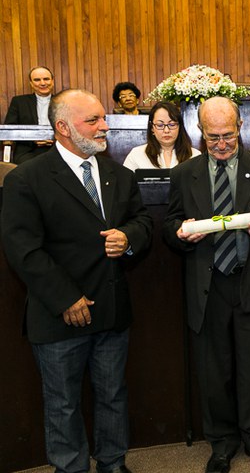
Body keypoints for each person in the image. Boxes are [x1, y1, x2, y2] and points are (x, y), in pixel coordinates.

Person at [1, 89, 153, 473]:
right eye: (93, 120)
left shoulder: (119, 175)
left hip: (112, 310)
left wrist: (129, 238)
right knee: (63, 404)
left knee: (113, 396)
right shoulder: (27, 179)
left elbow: (142, 221)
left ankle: (113, 463)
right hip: (59, 315)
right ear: (63, 127)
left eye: (103, 118)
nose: (105, 127)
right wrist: (66, 298)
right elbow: (23, 249)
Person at [163, 96, 250, 473]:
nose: (221, 144)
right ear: (200, 132)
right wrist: (181, 233)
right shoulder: (184, 174)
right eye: (213, 137)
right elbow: (170, 224)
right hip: (208, 287)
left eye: (228, 136)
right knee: (213, 371)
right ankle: (221, 445)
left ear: (240, 127)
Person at [123, 101, 201, 171]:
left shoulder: (195, 155)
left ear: (179, 127)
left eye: (172, 124)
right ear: (152, 128)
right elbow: (125, 181)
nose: (166, 130)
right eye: (160, 125)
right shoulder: (136, 154)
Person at [4, 66, 56, 163]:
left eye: (46, 79)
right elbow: (9, 130)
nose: (42, 83)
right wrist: (33, 139)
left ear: (52, 81)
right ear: (31, 83)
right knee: (31, 167)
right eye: (37, 80)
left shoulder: (63, 101)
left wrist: (55, 139)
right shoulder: (19, 102)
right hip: (28, 150)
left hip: (58, 148)